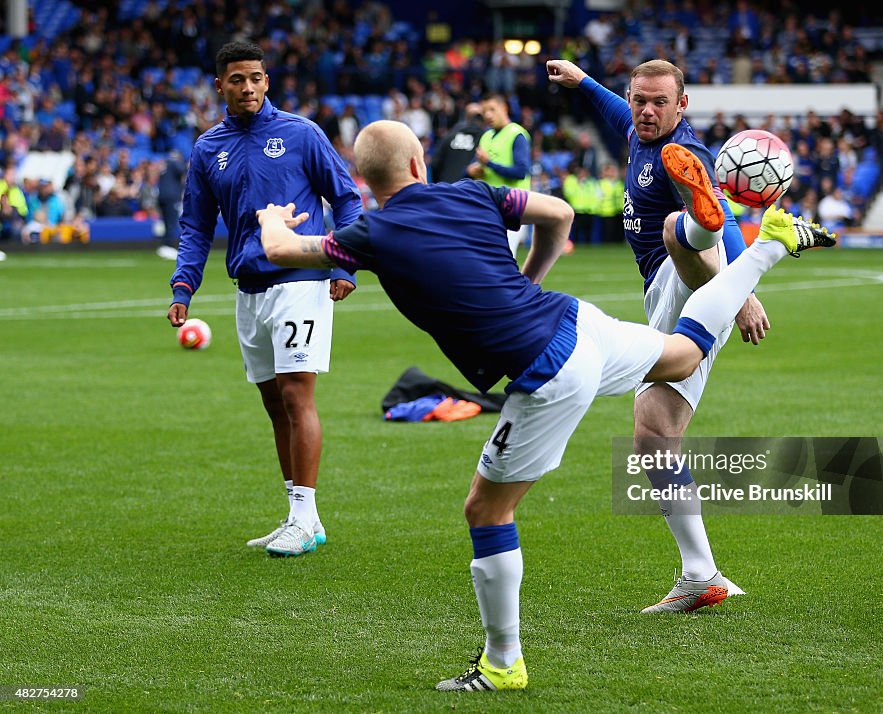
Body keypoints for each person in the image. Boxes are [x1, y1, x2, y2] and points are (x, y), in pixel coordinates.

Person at [257, 120, 834, 692]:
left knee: (486, 511)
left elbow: (282, 250)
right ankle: (763, 248)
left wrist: (271, 220)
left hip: (546, 369)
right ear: (419, 165)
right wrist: (528, 280)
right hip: (577, 320)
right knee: (684, 355)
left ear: (363, 179)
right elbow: (560, 214)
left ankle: (502, 664)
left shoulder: (371, 234)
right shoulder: (473, 193)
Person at [546, 57, 770, 613]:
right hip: (668, 298)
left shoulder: (686, 154)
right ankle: (702, 574)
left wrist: (740, 293)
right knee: (653, 436)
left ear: (682, 105)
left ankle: (695, 228)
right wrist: (583, 83)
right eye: (639, 100)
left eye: (658, 103)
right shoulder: (640, 128)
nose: (646, 111)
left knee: (681, 230)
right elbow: (619, 111)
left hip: (690, 273)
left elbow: (728, 217)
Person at [166, 40, 362, 557]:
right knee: (274, 404)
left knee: (298, 396)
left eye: (256, 77)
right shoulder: (209, 148)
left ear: (267, 80)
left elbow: (346, 197)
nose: (247, 86)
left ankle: (302, 516)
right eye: (237, 79)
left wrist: (345, 263)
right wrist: (184, 286)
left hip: (301, 279)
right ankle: (304, 519)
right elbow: (195, 225)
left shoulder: (302, 134)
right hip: (248, 289)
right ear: (219, 86)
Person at [467, 93, 532, 258]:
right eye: (484, 111)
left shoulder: (517, 134)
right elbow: (476, 167)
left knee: (505, 258)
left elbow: (520, 172)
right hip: (488, 206)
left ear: (505, 108)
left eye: (492, 109)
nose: (488, 115)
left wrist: (489, 164)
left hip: (513, 206)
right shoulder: (486, 136)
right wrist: (471, 171)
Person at [430, 101, 485, 184]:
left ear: (466, 117)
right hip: (469, 191)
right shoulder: (485, 139)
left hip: (445, 189)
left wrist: (439, 184)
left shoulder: (449, 137)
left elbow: (435, 164)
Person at [156, 150, 186, 260]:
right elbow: (183, 170)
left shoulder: (164, 164)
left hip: (162, 195)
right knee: (171, 222)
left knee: (166, 221)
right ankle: (167, 246)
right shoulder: (174, 163)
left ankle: (164, 245)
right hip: (171, 196)